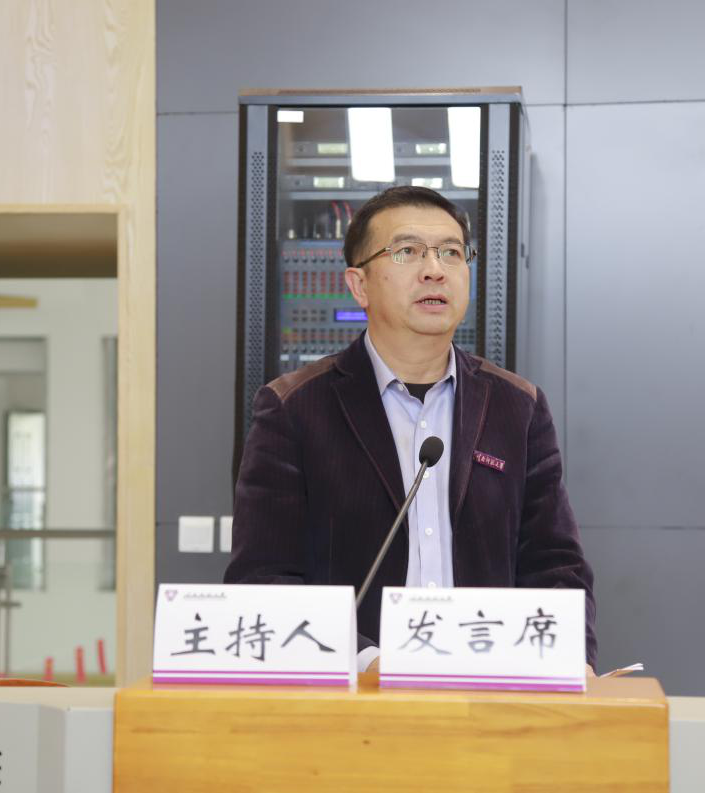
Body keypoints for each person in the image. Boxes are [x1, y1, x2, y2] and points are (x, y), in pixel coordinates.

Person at [225, 186, 597, 672]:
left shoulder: (517, 406)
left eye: (451, 252)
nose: (434, 269)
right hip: (353, 695)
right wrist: (368, 662)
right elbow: (263, 577)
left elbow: (555, 563)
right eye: (407, 252)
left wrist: (571, 657)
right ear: (359, 285)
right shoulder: (294, 408)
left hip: (490, 688)